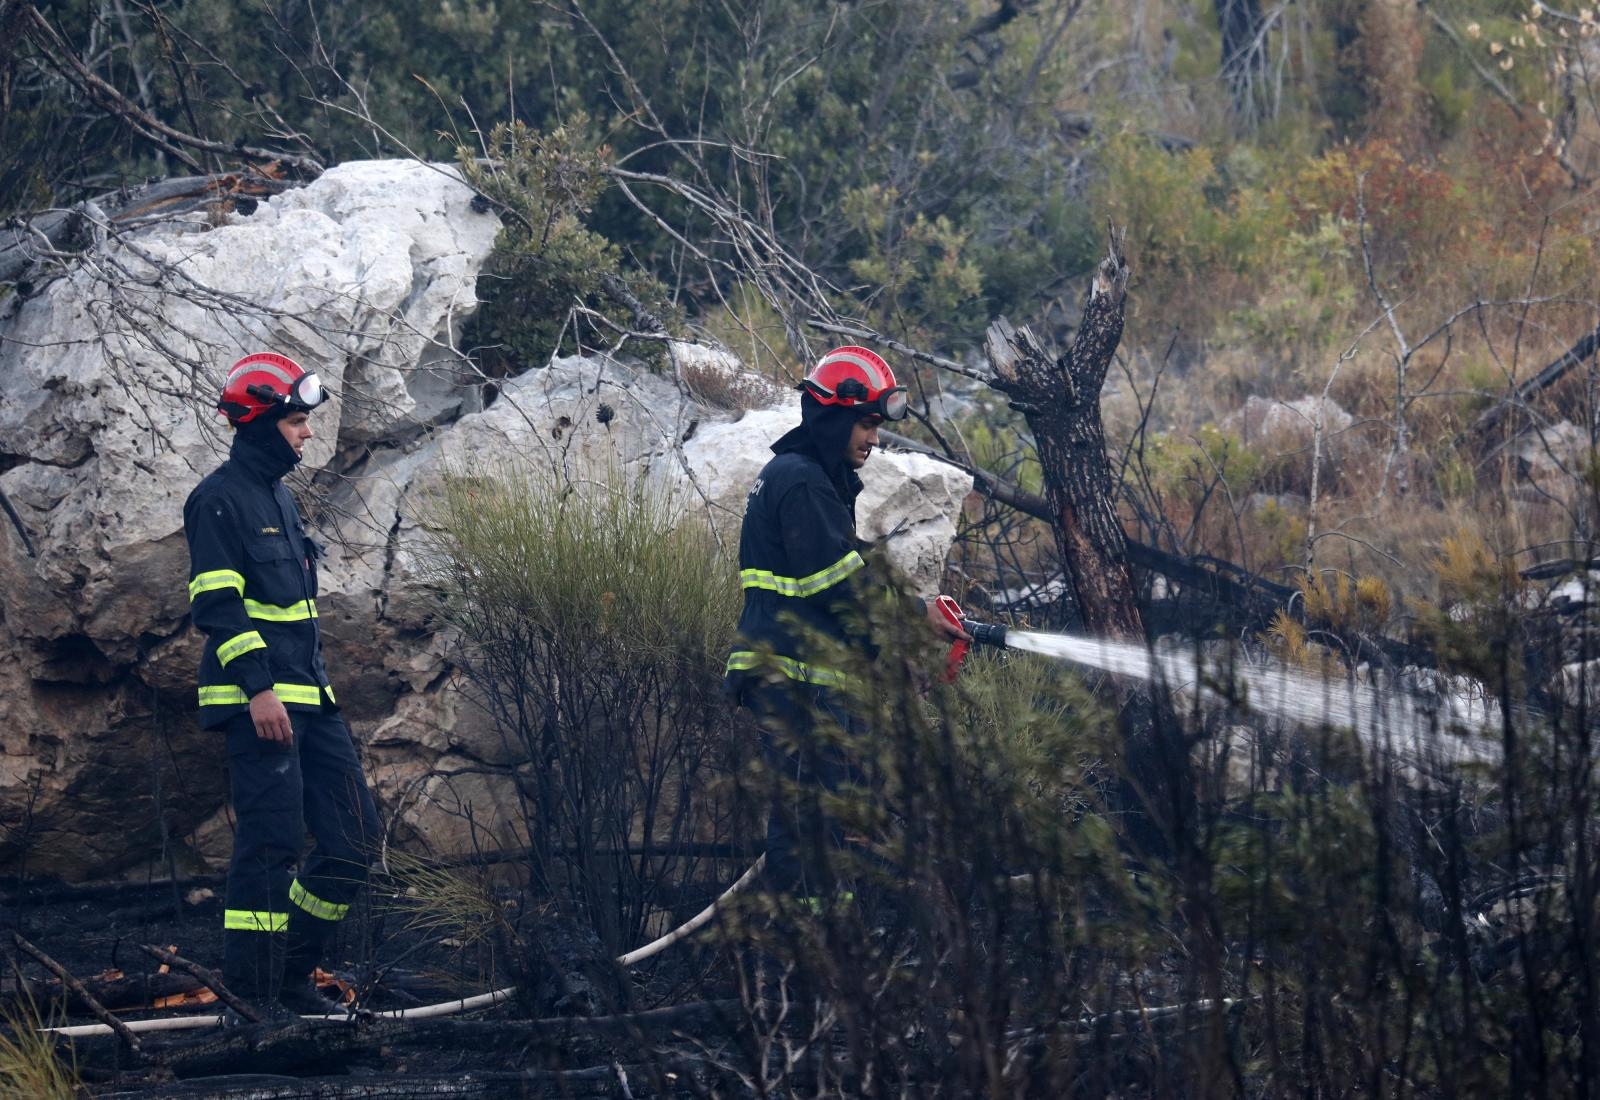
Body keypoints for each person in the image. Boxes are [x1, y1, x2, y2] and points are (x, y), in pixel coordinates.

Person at [725, 345, 967, 905]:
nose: (874, 439)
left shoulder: (807, 480)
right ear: (834, 415)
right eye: (866, 423)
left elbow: (846, 570)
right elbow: (836, 588)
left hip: (798, 676)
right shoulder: (804, 482)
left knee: (818, 820)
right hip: (799, 680)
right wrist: (913, 618)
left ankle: (821, 947)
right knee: (816, 823)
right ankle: (818, 952)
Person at [183, 351, 380, 1018]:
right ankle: (254, 999)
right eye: (297, 421)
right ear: (262, 422)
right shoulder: (217, 500)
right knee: (268, 848)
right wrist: (258, 690)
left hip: (311, 702)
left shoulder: (281, 500)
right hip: (258, 704)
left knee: (354, 840)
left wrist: (308, 691)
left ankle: (289, 975)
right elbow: (218, 606)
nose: (307, 432)